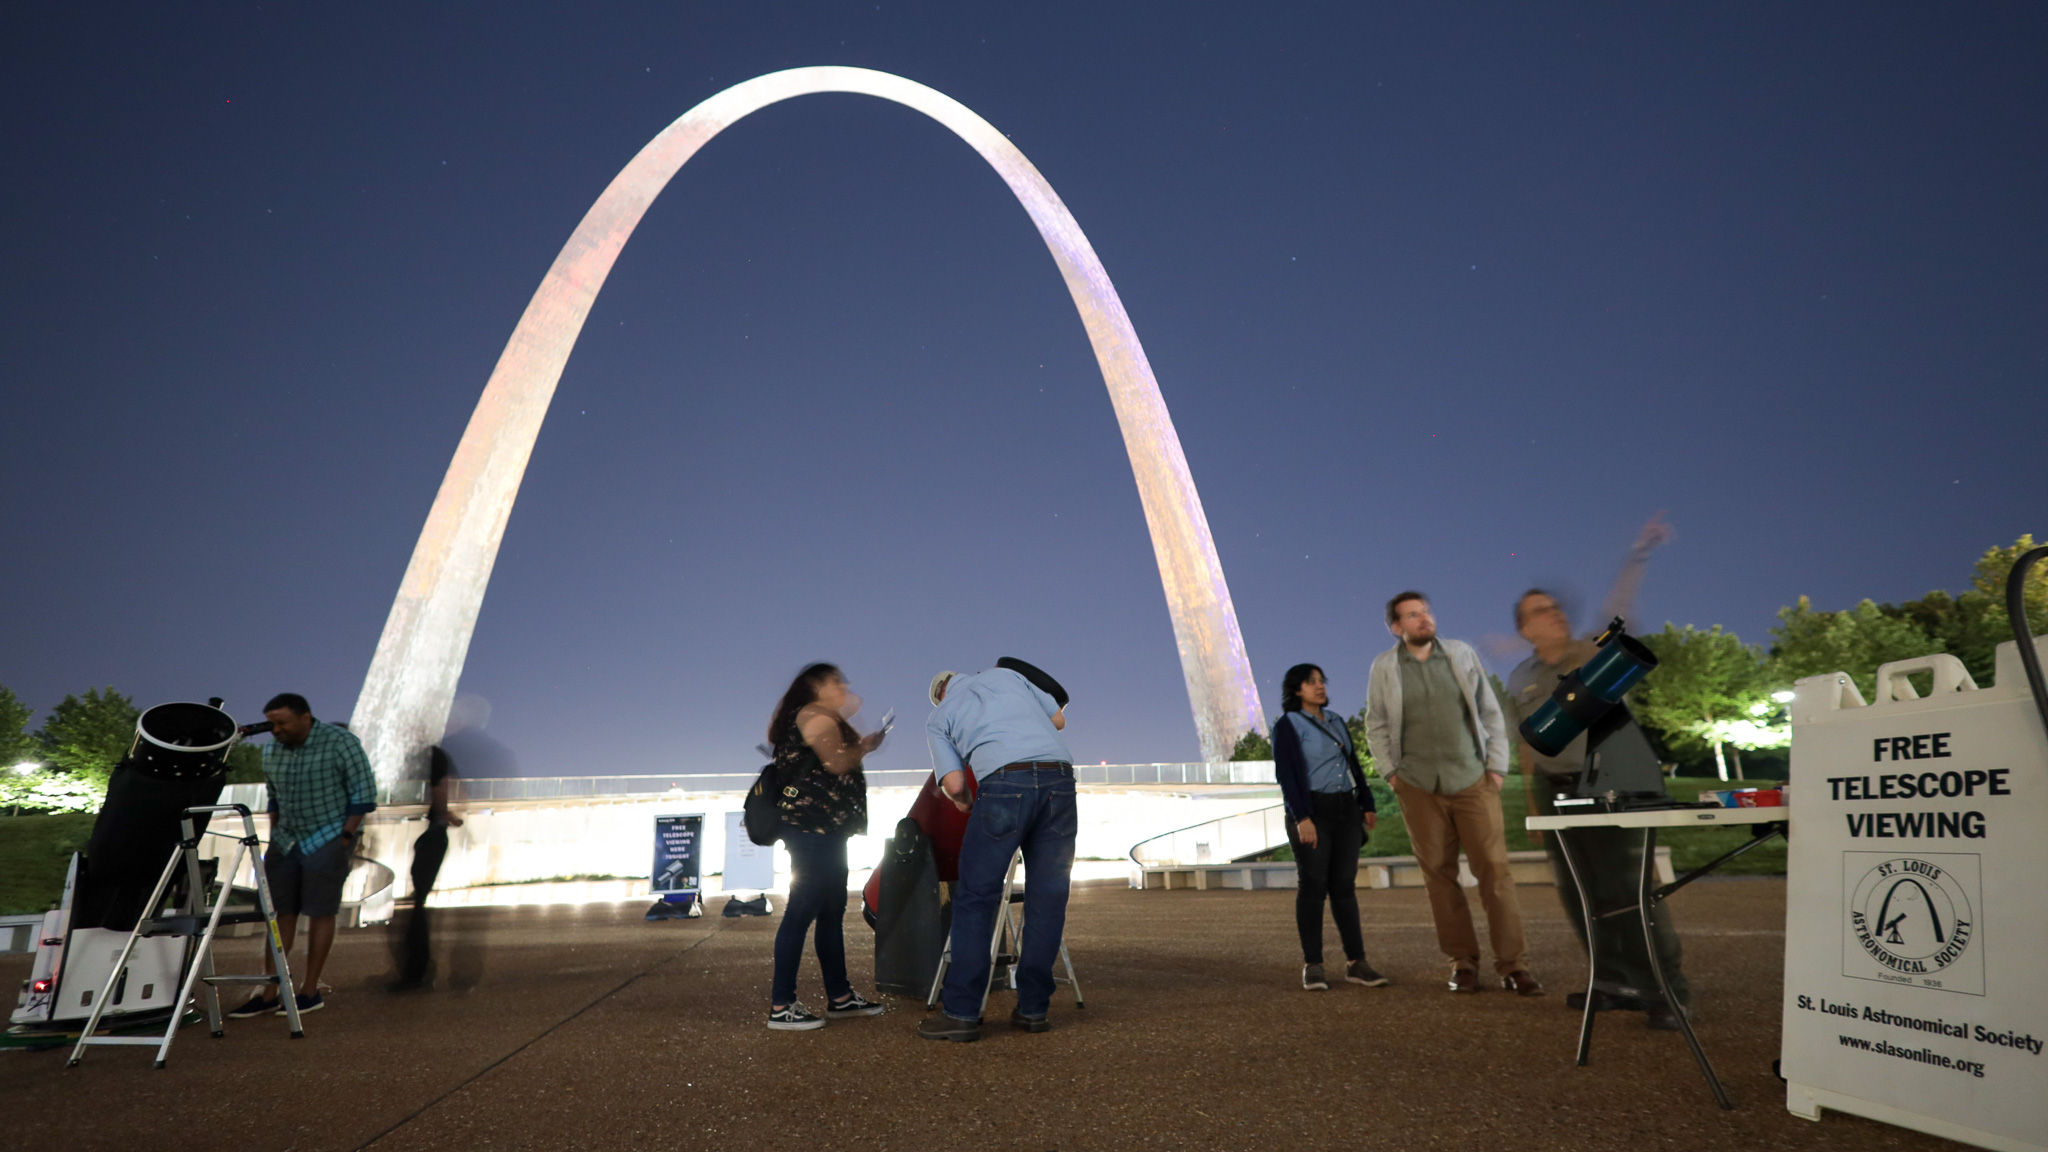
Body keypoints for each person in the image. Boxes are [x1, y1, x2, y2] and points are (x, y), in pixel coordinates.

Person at [1508, 514, 1690, 1030]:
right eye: (1541, 611)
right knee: (1580, 893)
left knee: (1629, 892)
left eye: (1556, 607)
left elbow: (1620, 609)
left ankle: (1666, 989)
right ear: (1525, 628)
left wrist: (1638, 553)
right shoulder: (1521, 676)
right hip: (1556, 794)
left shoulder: (1593, 653)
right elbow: (1527, 742)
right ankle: (1612, 981)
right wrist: (1532, 802)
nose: (1555, 614)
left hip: (1610, 786)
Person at [1364, 594, 1543, 996]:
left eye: (1426, 611)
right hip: (1417, 786)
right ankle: (1462, 962)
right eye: (1413, 615)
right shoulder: (1385, 667)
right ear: (1397, 627)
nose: (1424, 619)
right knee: (1440, 879)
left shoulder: (1461, 654)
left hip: (1472, 780)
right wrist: (1392, 774)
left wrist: (1496, 768)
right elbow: (1375, 722)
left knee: (1495, 874)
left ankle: (1514, 965)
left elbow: (1489, 711)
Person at [917, 657, 1076, 1042]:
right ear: (960, 675)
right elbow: (1058, 721)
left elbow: (954, 785)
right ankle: (1034, 1010)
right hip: (1059, 780)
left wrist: (968, 802)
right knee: (1048, 897)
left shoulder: (940, 718)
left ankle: (962, 1014)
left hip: (1003, 785)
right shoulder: (1008, 676)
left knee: (975, 899)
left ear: (940, 695)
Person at [227, 693, 376, 1018]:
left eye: (282, 723)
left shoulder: (341, 743)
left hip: (328, 837)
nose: (275, 730)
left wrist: (345, 837)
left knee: (322, 912)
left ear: (305, 717)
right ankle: (270, 991)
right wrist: (273, 837)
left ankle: (310, 990)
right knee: (279, 913)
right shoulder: (271, 750)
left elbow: (364, 793)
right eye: (272, 724)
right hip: (286, 840)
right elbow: (274, 798)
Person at [764, 663, 888, 1031]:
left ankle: (841, 997)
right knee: (800, 912)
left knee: (831, 913)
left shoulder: (815, 714)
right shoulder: (813, 715)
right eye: (835, 680)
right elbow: (836, 763)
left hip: (827, 831)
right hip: (811, 831)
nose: (844, 685)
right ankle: (781, 1005)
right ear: (816, 686)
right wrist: (863, 746)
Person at [1271, 663, 1387, 991]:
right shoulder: (1288, 725)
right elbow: (1288, 775)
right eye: (1311, 683)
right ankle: (1313, 964)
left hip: (1345, 809)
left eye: (1322, 681)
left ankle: (1356, 962)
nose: (1319, 687)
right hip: (1313, 810)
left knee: (1344, 888)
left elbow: (1352, 765)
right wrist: (1301, 817)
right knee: (1312, 887)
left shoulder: (1335, 721)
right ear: (1297, 690)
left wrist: (1366, 803)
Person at [391, 744, 463, 991]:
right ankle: (417, 969)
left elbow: (440, 785)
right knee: (418, 903)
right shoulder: (436, 755)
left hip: (433, 831)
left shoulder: (431, 757)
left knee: (417, 903)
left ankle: (416, 971)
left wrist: (442, 815)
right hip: (435, 830)